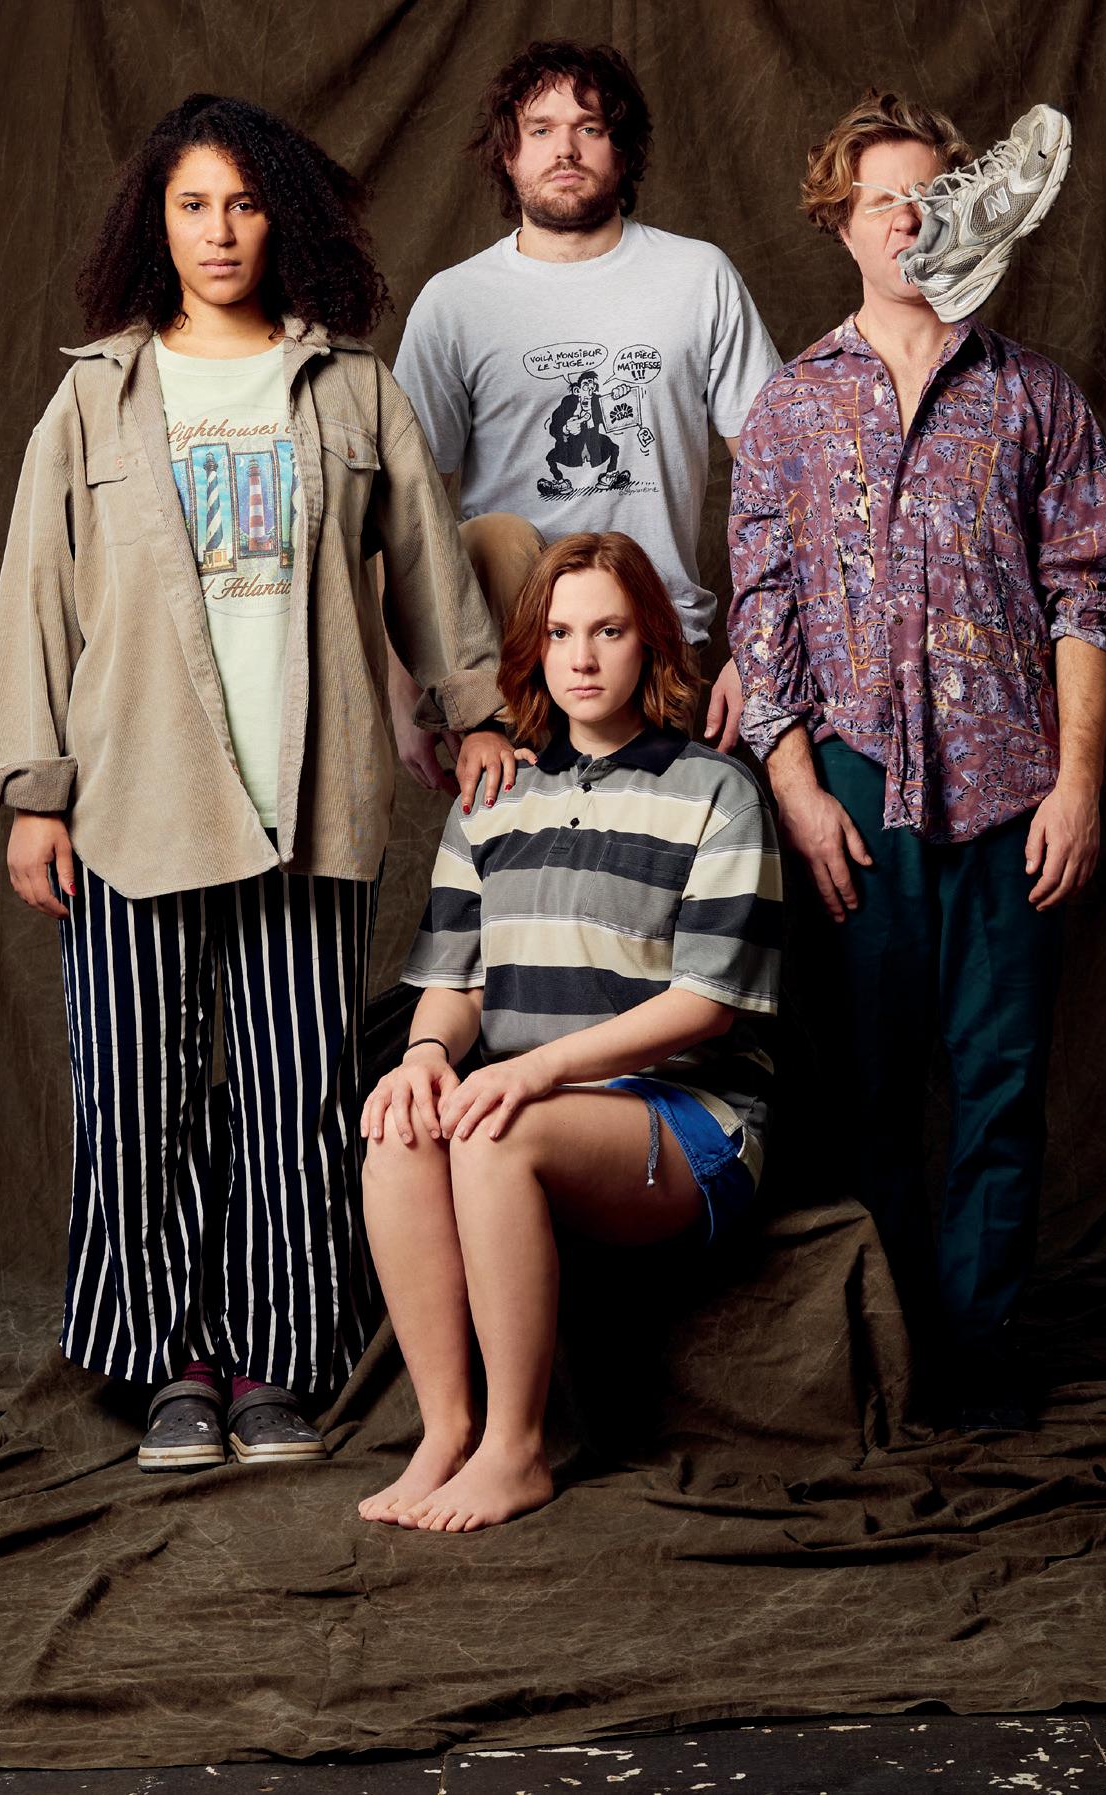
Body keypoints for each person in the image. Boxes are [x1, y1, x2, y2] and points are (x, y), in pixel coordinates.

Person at [0, 94, 521, 1473]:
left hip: (308, 806)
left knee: (294, 1097)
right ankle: (171, 1366)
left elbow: (429, 564)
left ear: (283, 220)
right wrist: (34, 790)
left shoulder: (350, 387)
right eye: (194, 204)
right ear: (157, 223)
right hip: (131, 803)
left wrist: (477, 714)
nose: (219, 231)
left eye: (245, 204)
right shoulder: (96, 395)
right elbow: (37, 599)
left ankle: (274, 1361)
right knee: (137, 1097)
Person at [727, 89, 1106, 1431]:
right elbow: (761, 614)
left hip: (1013, 789)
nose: (907, 221)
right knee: (863, 1095)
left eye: (929, 196)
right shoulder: (788, 408)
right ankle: (887, 1348)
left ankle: (978, 1351)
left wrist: (1077, 783)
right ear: (840, 222)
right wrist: (797, 792)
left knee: (999, 1086)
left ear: (968, 208)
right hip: (854, 792)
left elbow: (1089, 594)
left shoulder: (1035, 396)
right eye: (880, 201)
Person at [358, 532, 782, 1532]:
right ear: (532, 649)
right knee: (397, 1126)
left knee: (494, 1131)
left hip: (689, 1119)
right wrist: (424, 1056)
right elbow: (456, 980)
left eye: (608, 631)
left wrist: (531, 1072)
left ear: (652, 643)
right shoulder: (493, 797)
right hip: (535, 1103)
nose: (581, 657)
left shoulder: (715, 791)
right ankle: (447, 1431)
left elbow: (706, 1003)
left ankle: (517, 1451)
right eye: (557, 633)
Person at [388, 40, 781, 783]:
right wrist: (405, 684)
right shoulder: (455, 302)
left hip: (657, 648)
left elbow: (783, 480)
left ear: (622, 151)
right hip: (511, 668)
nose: (564, 149)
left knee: (654, 852)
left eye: (589, 128)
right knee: (494, 535)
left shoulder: (697, 277)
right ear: (508, 153)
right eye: (540, 129)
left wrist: (757, 651)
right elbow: (402, 515)